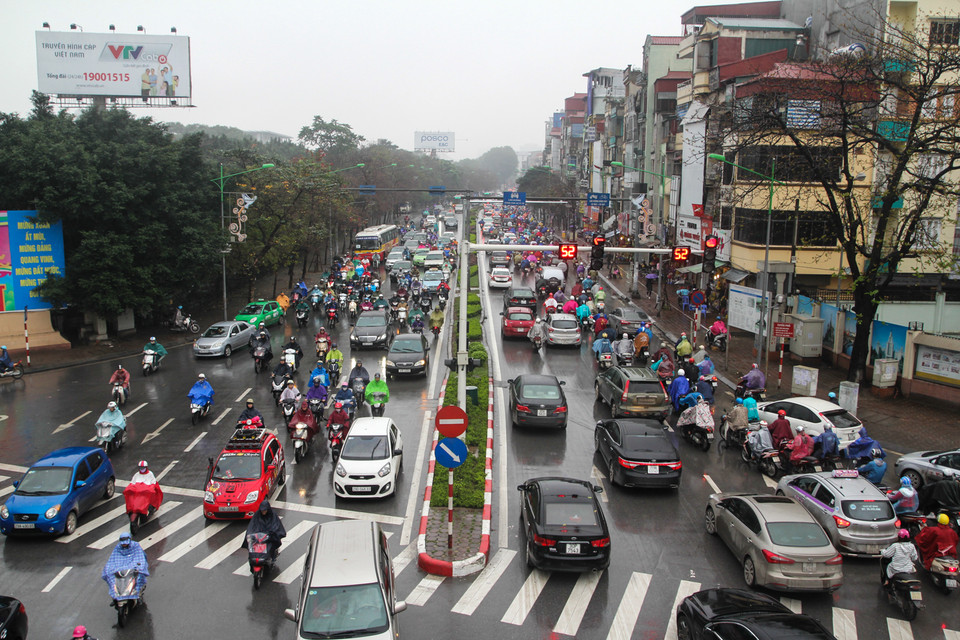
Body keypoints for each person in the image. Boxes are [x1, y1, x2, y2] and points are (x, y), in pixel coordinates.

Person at [102, 533, 149, 601]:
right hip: (120, 567)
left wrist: (138, 566)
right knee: (110, 576)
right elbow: (113, 559)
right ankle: (115, 597)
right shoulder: (118, 548)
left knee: (139, 576)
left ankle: (138, 593)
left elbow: (140, 557)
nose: (124, 544)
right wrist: (109, 568)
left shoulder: (135, 546)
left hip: (133, 566)